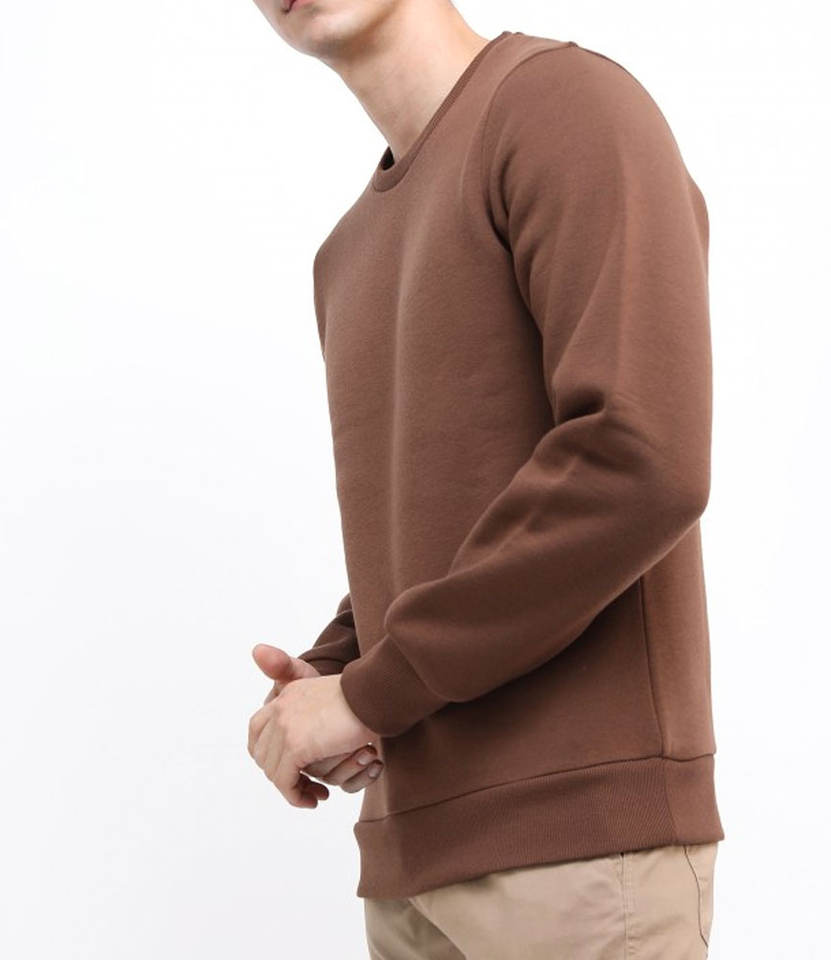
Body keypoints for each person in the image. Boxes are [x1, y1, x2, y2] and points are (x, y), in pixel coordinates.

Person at [245, 1, 723, 956]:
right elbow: (453, 524)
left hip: (577, 848)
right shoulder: (345, 253)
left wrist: (372, 695)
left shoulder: (562, 107)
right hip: (411, 859)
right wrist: (335, 672)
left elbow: (640, 460)